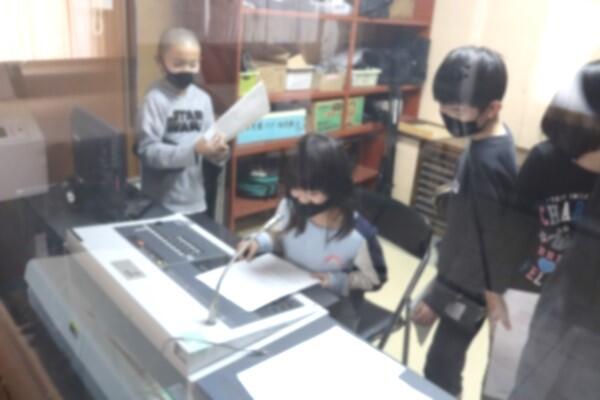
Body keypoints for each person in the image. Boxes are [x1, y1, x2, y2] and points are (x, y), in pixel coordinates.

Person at [410, 46, 517, 398]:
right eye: (443, 106)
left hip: (470, 288)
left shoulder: (488, 163)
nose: (447, 115)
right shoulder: (488, 138)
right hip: (460, 276)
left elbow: (481, 248)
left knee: (440, 366)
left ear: (492, 108)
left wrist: (438, 298)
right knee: (442, 363)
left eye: (457, 110)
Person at [508, 60, 600, 400]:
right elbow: (511, 232)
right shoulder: (545, 160)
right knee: (510, 382)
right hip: (527, 293)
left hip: (582, 320)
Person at [240, 134, 388, 329]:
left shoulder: (358, 236)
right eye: (297, 190)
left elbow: (375, 279)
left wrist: (337, 281)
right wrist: (259, 242)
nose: (302, 200)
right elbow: (278, 235)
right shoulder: (290, 206)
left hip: (334, 307)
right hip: (289, 292)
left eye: (313, 193)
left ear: (336, 190)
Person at [137, 27, 229, 215]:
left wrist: (219, 153)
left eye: (193, 64)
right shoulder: (154, 99)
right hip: (161, 202)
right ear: (160, 62)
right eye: (178, 64)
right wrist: (192, 151)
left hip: (196, 199)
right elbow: (148, 152)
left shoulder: (203, 99)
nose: (186, 70)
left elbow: (208, 146)